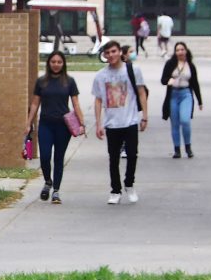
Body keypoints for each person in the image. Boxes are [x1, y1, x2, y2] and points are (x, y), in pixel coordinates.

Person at [25, 51, 85, 204]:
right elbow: (34, 103)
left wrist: (82, 123)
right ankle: (47, 181)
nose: (56, 64)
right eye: (53, 62)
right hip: (45, 124)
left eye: (59, 62)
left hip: (63, 126)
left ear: (63, 63)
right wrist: (28, 123)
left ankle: (56, 191)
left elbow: (76, 104)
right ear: (48, 63)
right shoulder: (41, 82)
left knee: (58, 158)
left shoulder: (69, 82)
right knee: (45, 156)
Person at [92, 40, 148, 204]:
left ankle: (129, 184)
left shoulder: (132, 70)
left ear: (120, 52)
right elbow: (98, 100)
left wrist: (144, 116)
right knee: (113, 158)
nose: (111, 55)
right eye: (107, 53)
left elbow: (142, 92)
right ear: (104, 56)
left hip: (130, 120)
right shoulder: (101, 76)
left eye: (114, 51)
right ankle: (115, 190)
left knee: (132, 155)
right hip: (112, 123)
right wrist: (98, 123)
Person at [161, 41, 203, 158]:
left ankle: (188, 147)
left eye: (182, 49)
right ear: (175, 52)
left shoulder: (190, 65)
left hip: (186, 94)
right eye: (177, 50)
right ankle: (177, 149)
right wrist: (168, 80)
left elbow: (195, 83)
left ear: (186, 51)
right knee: (174, 124)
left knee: (185, 120)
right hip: (173, 95)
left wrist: (200, 101)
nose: (180, 52)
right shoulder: (170, 63)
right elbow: (163, 79)